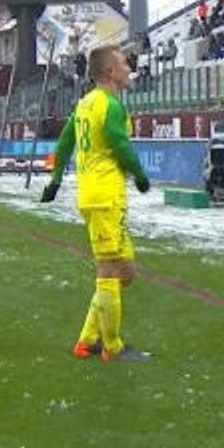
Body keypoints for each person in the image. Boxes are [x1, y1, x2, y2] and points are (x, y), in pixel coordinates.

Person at [39, 45, 152, 363]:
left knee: (125, 271)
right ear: (110, 72)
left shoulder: (86, 103)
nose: (129, 68)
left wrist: (57, 179)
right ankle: (111, 347)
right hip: (104, 197)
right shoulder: (109, 105)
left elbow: (64, 142)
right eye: (123, 64)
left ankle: (88, 339)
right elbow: (121, 145)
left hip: (101, 197)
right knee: (110, 268)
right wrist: (140, 175)